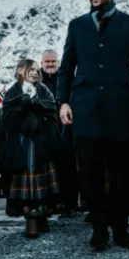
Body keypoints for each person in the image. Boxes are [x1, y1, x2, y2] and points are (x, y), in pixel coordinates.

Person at [57, 0, 129, 251]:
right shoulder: (76, 26)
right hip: (86, 111)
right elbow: (66, 68)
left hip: (120, 112)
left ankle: (120, 230)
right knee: (89, 173)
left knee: (121, 174)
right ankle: (100, 230)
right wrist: (63, 101)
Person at [0, 59, 61, 237]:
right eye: (31, 69)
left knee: (42, 180)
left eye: (36, 69)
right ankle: (31, 220)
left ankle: (41, 217)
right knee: (28, 180)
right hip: (22, 143)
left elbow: (52, 108)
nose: (35, 72)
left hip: (41, 142)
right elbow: (6, 117)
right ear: (20, 70)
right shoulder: (12, 91)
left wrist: (36, 104)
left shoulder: (43, 89)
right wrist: (21, 103)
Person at [41, 49, 79, 215]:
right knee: (47, 170)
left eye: (53, 62)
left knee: (68, 169)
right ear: (42, 63)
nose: (50, 65)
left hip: (65, 131)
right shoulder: (37, 81)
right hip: (45, 133)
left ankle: (69, 204)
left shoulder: (66, 80)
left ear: (58, 62)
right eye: (47, 62)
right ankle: (50, 204)